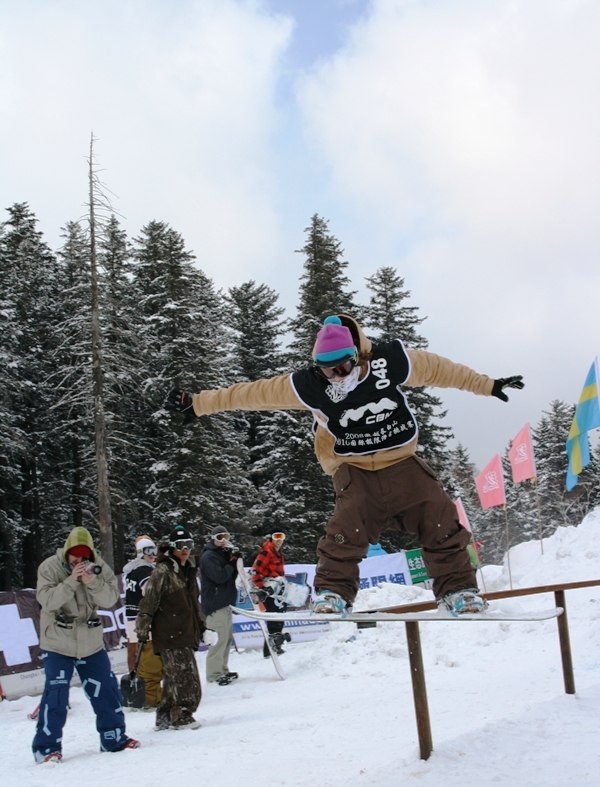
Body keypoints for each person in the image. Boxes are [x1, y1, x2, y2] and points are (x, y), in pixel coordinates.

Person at [165, 313, 524, 616]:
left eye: (344, 366)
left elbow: (441, 371)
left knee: (441, 518)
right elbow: (250, 394)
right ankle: (334, 593)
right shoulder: (307, 386)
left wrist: (487, 385)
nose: (338, 376)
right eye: (329, 371)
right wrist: (198, 404)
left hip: (402, 463)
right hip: (354, 471)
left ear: (358, 355)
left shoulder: (391, 362)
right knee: (345, 529)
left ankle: (458, 592)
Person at [32, 526, 140, 764]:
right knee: (56, 696)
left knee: (106, 690)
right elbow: (47, 601)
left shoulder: (98, 566)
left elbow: (111, 599)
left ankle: (114, 738)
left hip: (90, 640)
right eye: (75, 556)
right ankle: (46, 748)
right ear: (67, 552)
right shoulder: (49, 566)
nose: (79, 561)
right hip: (58, 641)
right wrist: (71, 581)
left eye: (84, 557)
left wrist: (92, 581)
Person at [136, 524, 205, 731]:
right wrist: (142, 628)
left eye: (189, 545)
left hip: (186, 630)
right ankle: (182, 714)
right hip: (169, 632)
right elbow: (149, 601)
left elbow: (194, 604)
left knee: (174, 678)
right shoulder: (163, 571)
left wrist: (202, 627)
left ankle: (165, 716)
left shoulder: (188, 570)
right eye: (180, 545)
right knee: (186, 677)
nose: (185, 549)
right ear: (172, 547)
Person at [122, 534, 163, 709]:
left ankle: (139, 691)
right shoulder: (145, 570)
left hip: (132, 619)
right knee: (150, 658)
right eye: (148, 551)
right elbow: (151, 593)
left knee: (138, 656)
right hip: (144, 620)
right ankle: (148, 696)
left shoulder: (131, 570)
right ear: (140, 552)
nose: (152, 554)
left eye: (154, 550)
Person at [199, 525, 240, 685]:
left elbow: (231, 574)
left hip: (225, 602)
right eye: (219, 538)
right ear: (213, 539)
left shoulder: (221, 554)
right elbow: (220, 576)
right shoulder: (209, 556)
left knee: (226, 639)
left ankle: (222, 669)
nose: (223, 541)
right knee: (218, 639)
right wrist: (230, 564)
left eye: (226, 537)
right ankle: (214, 674)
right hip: (215, 604)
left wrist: (234, 560)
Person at [251, 532, 291, 657]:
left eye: (282, 537)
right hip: (269, 590)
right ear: (271, 538)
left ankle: (273, 647)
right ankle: (270, 649)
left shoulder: (277, 553)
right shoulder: (266, 552)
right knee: (274, 618)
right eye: (276, 537)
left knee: (279, 616)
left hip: (278, 589)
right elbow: (255, 571)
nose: (279, 540)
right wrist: (263, 588)